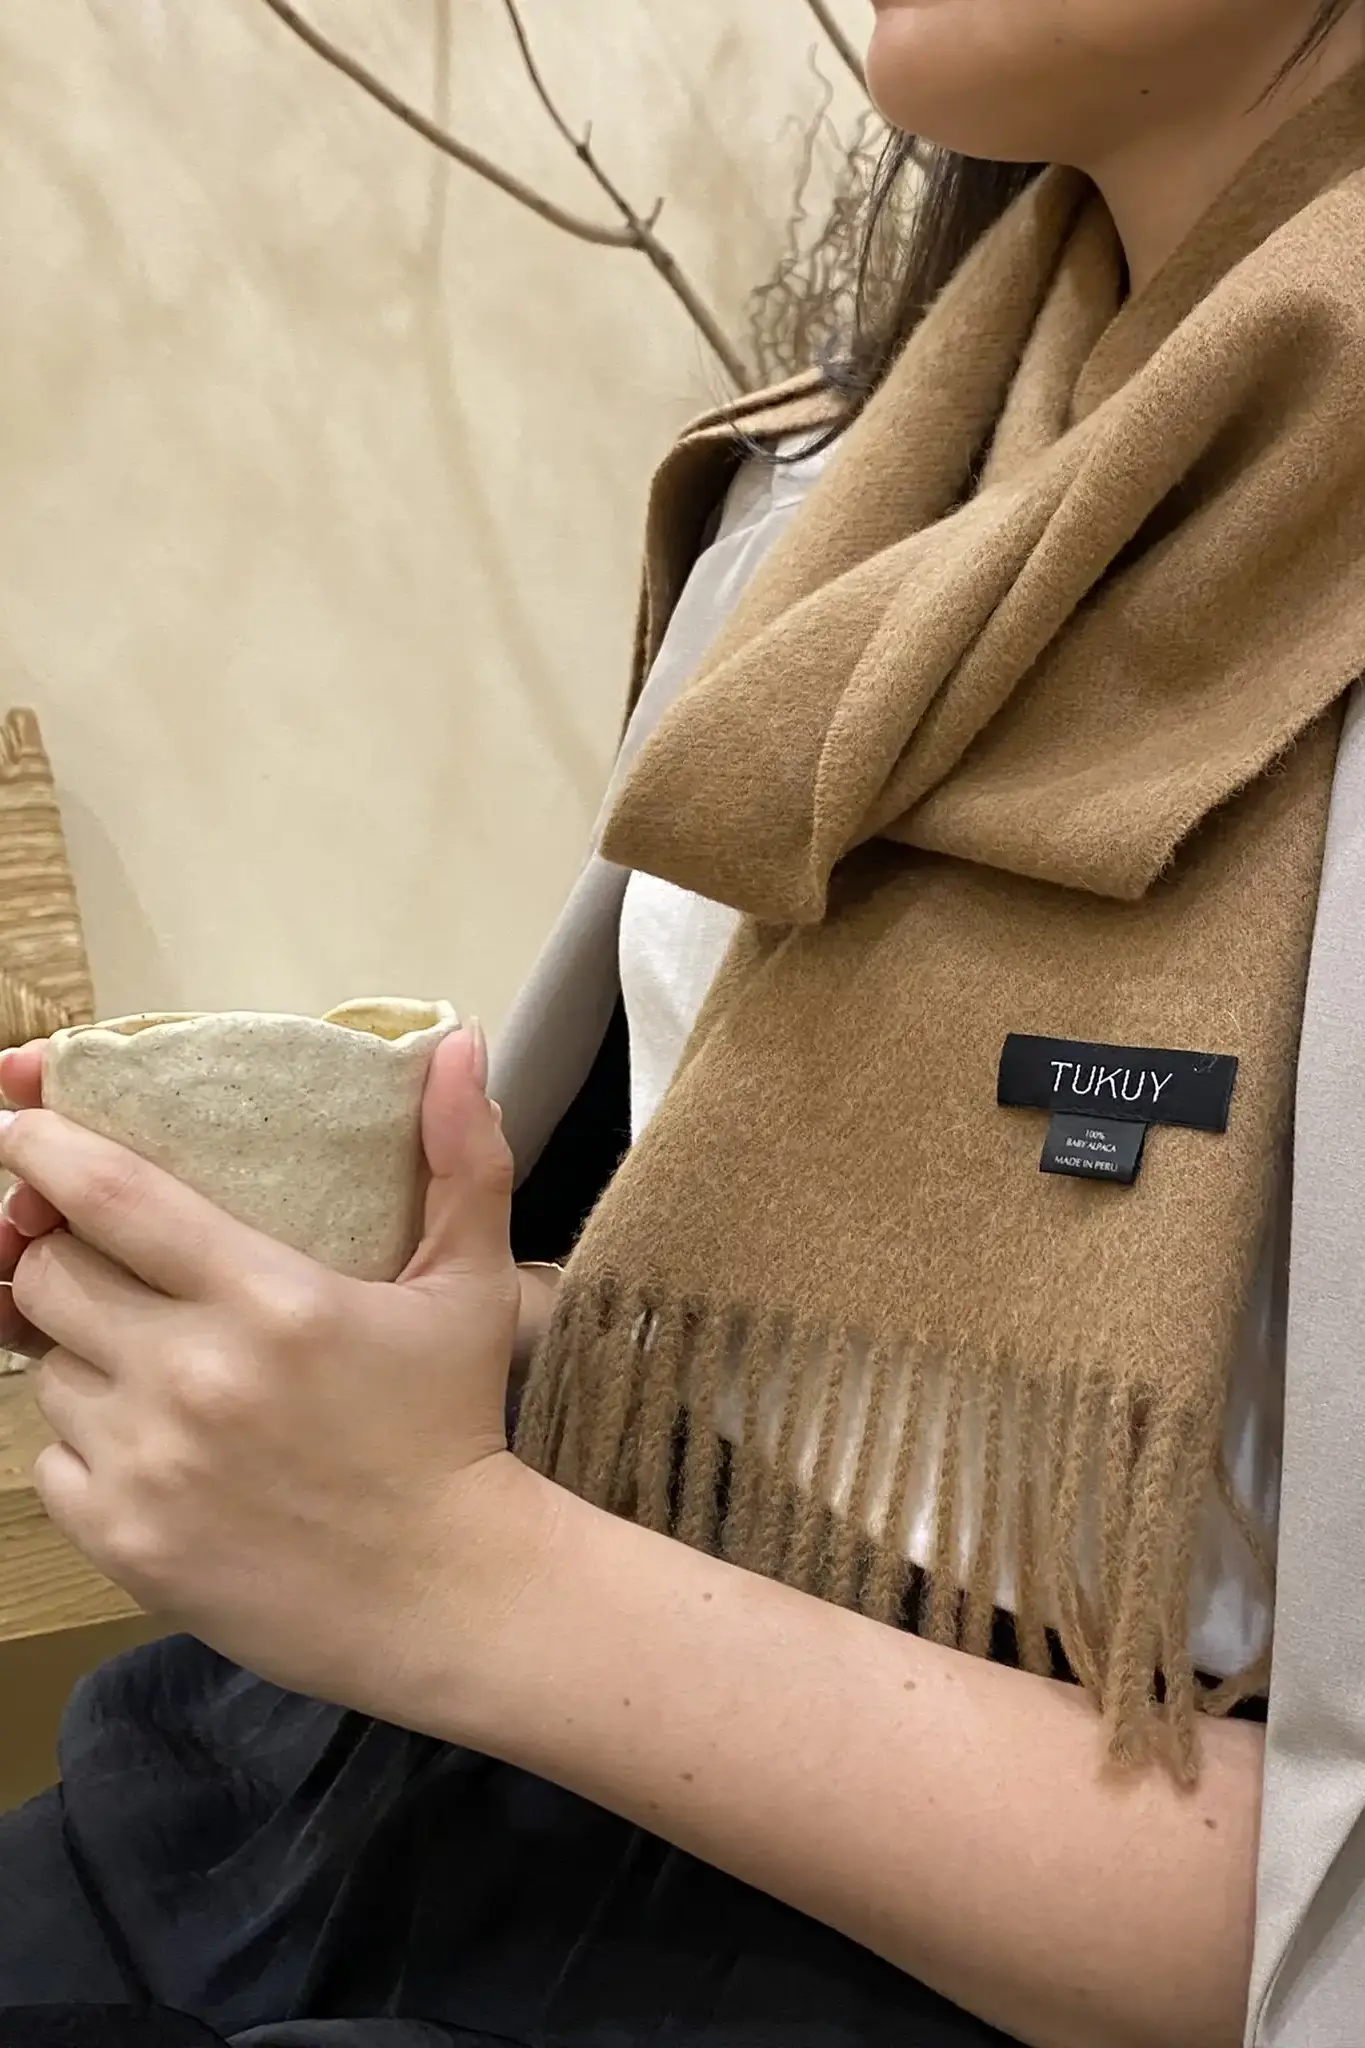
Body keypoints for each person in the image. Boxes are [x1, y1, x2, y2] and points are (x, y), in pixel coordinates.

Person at [3, 0, 1365, 2043]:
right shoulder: (846, 485)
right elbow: (812, 1355)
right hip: (418, 1763)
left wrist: (438, 1565)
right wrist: (419, 1333)